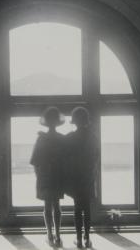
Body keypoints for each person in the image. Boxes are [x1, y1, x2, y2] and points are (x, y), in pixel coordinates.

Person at [64, 107, 99, 248]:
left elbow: (65, 158)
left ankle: (78, 238)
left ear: (74, 121)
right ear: (86, 120)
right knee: (87, 208)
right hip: (88, 175)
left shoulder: (70, 137)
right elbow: (96, 157)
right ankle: (87, 237)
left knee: (77, 208)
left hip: (75, 177)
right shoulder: (93, 137)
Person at [30, 106, 65, 247]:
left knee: (47, 206)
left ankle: (49, 234)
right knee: (57, 205)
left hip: (44, 176)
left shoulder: (41, 139)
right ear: (57, 122)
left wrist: (39, 175)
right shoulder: (62, 139)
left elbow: (34, 161)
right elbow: (66, 160)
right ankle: (58, 235)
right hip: (57, 176)